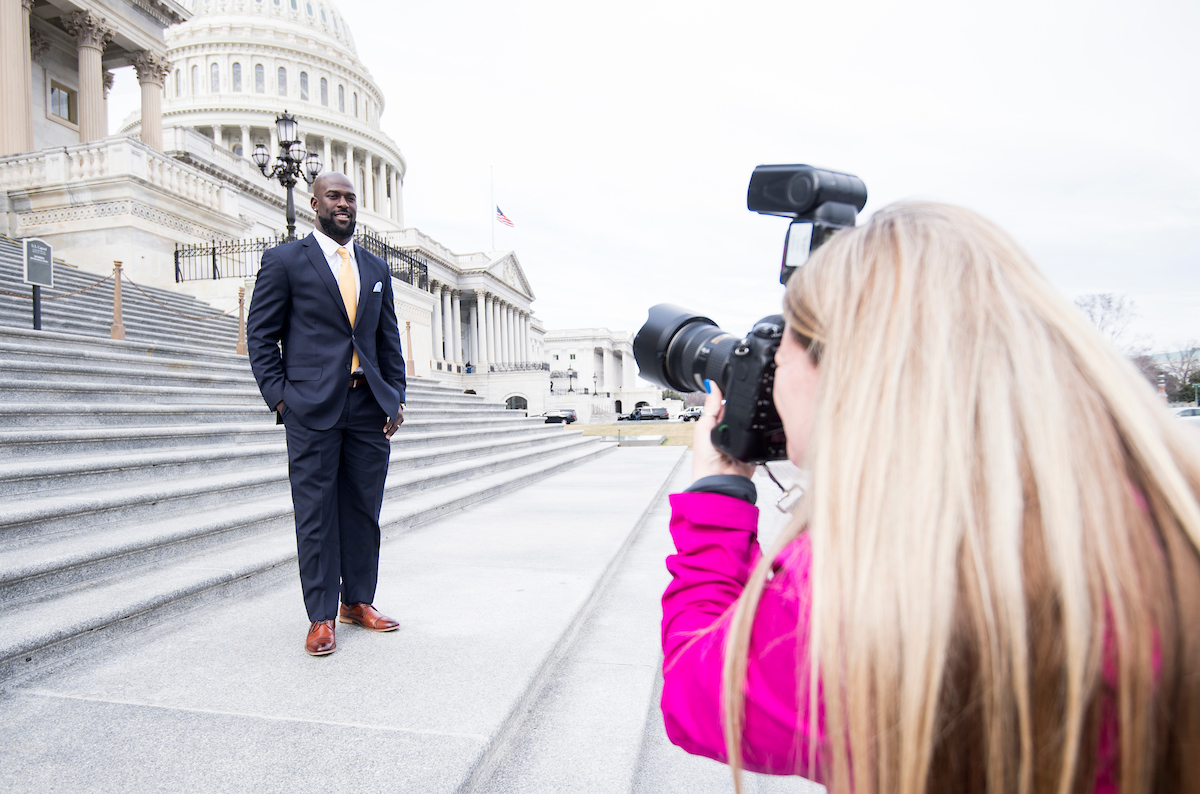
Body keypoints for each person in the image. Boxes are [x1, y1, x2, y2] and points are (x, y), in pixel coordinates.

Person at [661, 203, 1200, 794]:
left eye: (779, 355)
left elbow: (698, 697)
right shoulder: (1169, 516)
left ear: (843, 375)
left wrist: (716, 492)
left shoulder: (858, 599)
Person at [247, 171, 406, 657]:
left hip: (366, 407)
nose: (344, 204)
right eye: (334, 196)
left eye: (350, 198)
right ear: (314, 202)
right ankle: (320, 615)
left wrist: (395, 395)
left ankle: (356, 601)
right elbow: (260, 337)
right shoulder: (284, 261)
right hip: (310, 409)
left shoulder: (376, 268)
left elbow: (387, 339)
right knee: (315, 514)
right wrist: (281, 399)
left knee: (363, 510)